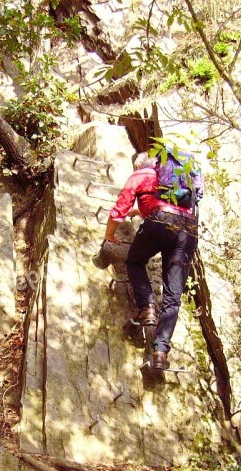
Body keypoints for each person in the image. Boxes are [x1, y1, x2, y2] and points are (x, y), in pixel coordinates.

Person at [103, 150, 199, 370]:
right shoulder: (175, 180)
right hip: (188, 229)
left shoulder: (141, 174)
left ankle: (147, 307)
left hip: (161, 221)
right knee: (173, 294)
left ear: (138, 165)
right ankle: (160, 352)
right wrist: (141, 210)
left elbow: (119, 210)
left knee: (135, 262)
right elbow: (170, 210)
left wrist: (110, 234)